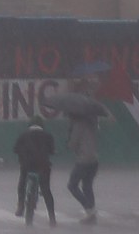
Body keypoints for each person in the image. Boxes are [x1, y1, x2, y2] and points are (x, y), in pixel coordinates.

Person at [45, 80, 108, 223]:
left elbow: (73, 144)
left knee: (72, 185)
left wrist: (69, 140)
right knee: (87, 186)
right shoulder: (91, 123)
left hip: (83, 160)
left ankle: (90, 210)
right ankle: (91, 213)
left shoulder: (78, 126)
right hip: (94, 160)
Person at [12, 117, 57, 226]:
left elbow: (15, 149)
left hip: (27, 165)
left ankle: (21, 205)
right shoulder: (48, 136)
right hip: (43, 166)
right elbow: (52, 151)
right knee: (46, 190)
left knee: (22, 183)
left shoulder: (23, 136)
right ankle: (52, 217)